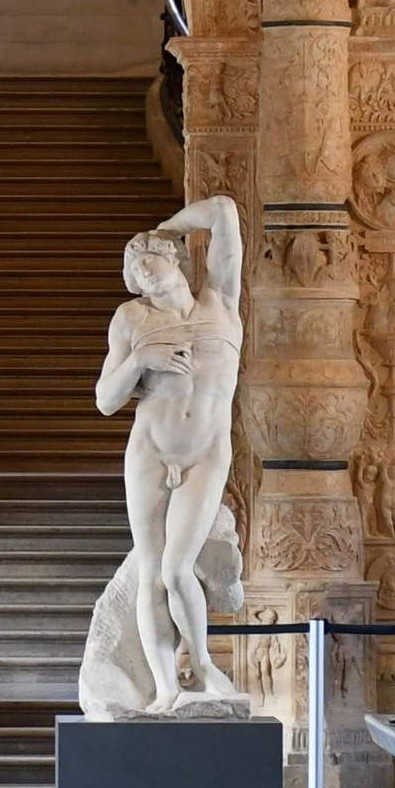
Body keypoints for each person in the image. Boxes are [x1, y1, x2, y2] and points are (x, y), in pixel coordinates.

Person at [94, 196, 244, 713]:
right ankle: (165, 687)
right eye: (133, 269)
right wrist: (140, 358)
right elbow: (105, 400)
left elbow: (224, 211)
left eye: (147, 260)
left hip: (206, 451)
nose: (139, 274)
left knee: (180, 568)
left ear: (172, 258)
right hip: (151, 451)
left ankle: (201, 664)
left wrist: (165, 227)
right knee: (153, 571)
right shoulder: (130, 319)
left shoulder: (221, 301)